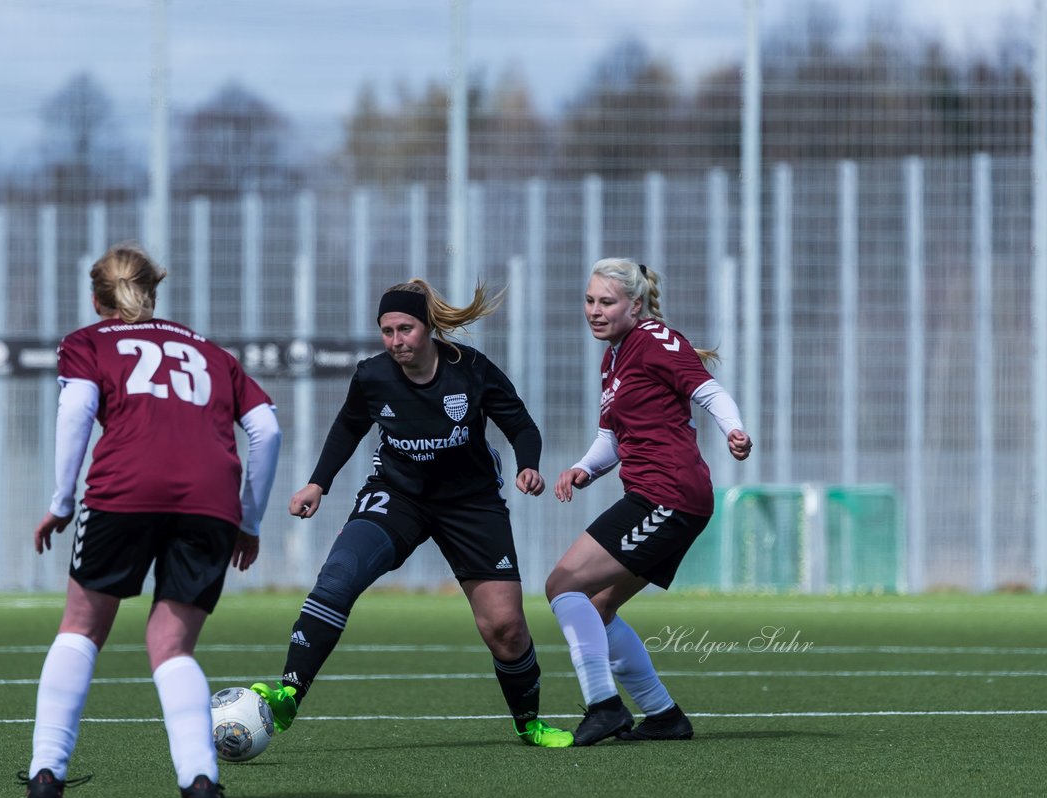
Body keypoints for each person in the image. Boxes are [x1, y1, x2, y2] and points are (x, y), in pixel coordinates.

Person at [251, 278, 574, 749]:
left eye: (405, 329)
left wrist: (529, 466)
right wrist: (318, 482)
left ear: (429, 328)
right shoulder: (372, 375)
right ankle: (288, 694)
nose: (396, 341)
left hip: (471, 503)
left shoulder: (471, 370)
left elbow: (522, 425)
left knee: (504, 628)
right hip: (396, 496)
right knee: (338, 576)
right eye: (387, 331)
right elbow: (348, 427)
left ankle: (529, 722)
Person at [22, 243, 281, 798]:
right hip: (211, 499)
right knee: (172, 646)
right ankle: (199, 781)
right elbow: (265, 428)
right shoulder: (210, 351)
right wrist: (250, 518)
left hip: (126, 488)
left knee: (82, 628)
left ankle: (46, 774)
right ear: (154, 293)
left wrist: (62, 501)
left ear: (97, 299)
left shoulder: (87, 341)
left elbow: (75, 412)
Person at [546, 258, 752, 746]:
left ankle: (603, 706)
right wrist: (584, 468)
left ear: (634, 305)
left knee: (562, 585)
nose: (595, 311)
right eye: (590, 300)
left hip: (669, 495)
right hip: (662, 495)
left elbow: (710, 392)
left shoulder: (655, 340)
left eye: (607, 302)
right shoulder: (614, 356)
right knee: (597, 606)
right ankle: (663, 716)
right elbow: (611, 439)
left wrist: (735, 430)